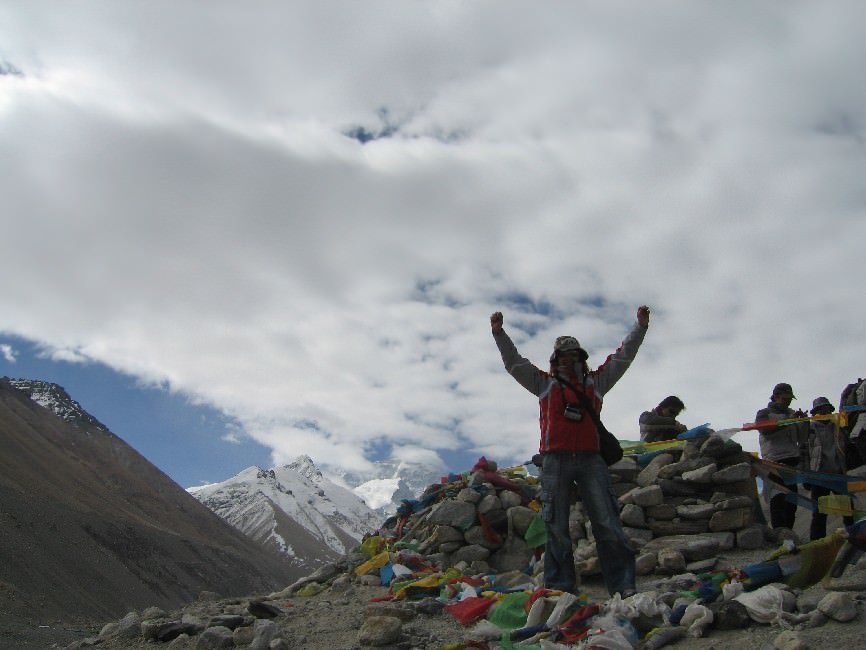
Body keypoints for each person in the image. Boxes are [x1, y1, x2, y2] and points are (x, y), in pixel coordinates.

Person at [490, 305, 650, 598]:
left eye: (574, 354)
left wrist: (639, 328)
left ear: (581, 357)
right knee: (556, 527)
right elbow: (514, 363)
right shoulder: (544, 384)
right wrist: (499, 334)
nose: (569, 358)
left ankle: (623, 586)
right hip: (554, 460)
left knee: (607, 524)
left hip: (592, 459)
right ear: (555, 359)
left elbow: (623, 357)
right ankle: (561, 588)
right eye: (564, 355)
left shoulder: (596, 383)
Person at [755, 382, 809, 531]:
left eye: (790, 398)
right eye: (785, 398)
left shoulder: (790, 413)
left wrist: (804, 422)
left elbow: (802, 438)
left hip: (792, 463)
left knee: (792, 502)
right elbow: (766, 431)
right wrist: (788, 420)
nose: (788, 401)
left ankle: (789, 535)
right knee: (778, 499)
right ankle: (780, 535)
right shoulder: (764, 413)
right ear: (776, 397)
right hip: (774, 463)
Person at [806, 396, 853, 540]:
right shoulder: (809, 429)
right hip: (819, 477)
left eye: (825, 409)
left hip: (838, 475)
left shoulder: (838, 425)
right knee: (819, 514)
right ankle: (817, 545)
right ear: (814, 413)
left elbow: (847, 447)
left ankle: (856, 540)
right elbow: (804, 454)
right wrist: (806, 477)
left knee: (848, 512)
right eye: (819, 410)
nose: (823, 412)